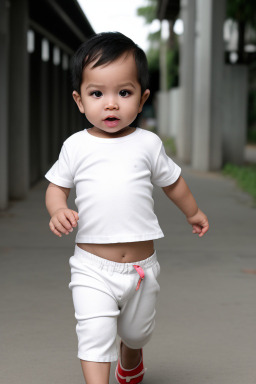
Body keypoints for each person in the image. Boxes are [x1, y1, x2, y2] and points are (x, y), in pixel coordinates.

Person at [45, 32, 209, 384]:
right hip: (91, 266)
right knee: (94, 333)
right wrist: (57, 209)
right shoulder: (76, 146)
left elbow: (173, 183)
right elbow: (56, 188)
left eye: (124, 92)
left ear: (142, 98)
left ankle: (131, 352)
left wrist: (192, 212)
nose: (111, 104)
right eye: (96, 94)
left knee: (136, 332)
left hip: (140, 270)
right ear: (79, 100)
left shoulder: (148, 144)